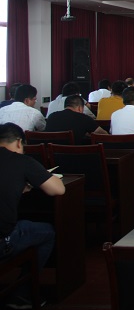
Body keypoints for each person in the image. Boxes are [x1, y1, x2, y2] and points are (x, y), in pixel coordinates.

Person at [0, 123, 65, 310]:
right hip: (3, 242)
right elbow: (58, 189)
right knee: (47, 232)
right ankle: (22, 294)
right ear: (19, 143)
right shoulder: (21, 161)